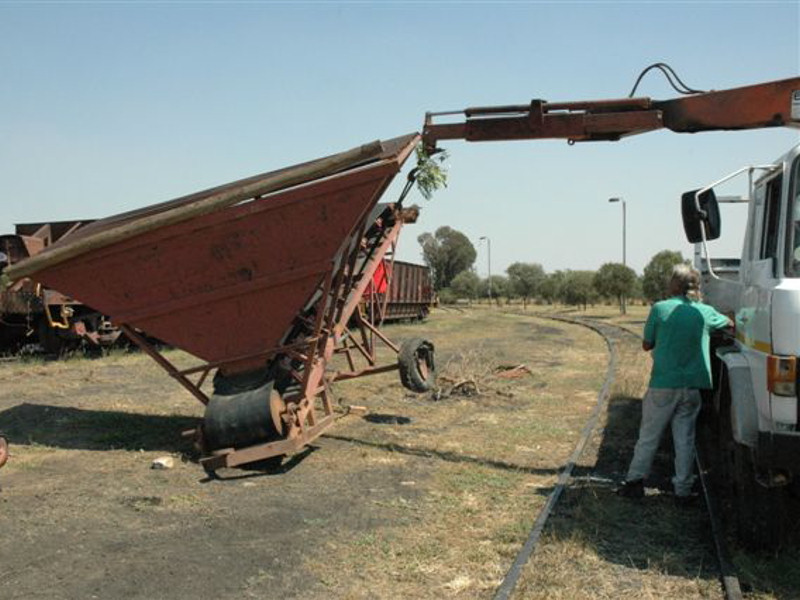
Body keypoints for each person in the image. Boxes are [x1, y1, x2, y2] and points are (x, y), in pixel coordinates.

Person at [617, 264, 731, 503]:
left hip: (663, 384)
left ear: (674, 285)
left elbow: (647, 344)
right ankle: (682, 489)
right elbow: (730, 324)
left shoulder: (660, 308)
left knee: (649, 435)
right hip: (692, 387)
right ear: (695, 286)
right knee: (685, 439)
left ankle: (635, 482)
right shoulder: (705, 311)